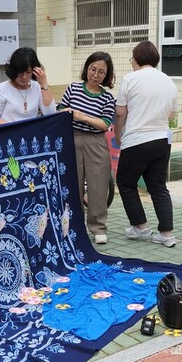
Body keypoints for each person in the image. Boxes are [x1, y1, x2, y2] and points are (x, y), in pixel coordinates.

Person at [115, 41, 179, 247]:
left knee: (125, 183)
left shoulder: (130, 79)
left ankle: (141, 227)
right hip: (161, 139)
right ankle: (167, 234)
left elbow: (120, 113)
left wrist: (118, 136)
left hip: (136, 139)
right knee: (158, 186)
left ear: (136, 59)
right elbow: (171, 114)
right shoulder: (168, 81)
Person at [59, 51, 116, 244]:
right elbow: (60, 111)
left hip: (96, 142)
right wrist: (65, 111)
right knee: (73, 184)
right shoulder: (73, 88)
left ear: (106, 76)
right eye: (93, 69)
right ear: (87, 68)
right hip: (72, 139)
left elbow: (105, 123)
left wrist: (83, 117)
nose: (95, 74)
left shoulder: (107, 98)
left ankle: (98, 227)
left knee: (98, 186)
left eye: (101, 72)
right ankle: (75, 226)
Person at [0, 47, 57, 123]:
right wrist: (10, 127)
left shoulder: (37, 87)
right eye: (20, 72)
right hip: (9, 132)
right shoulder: (2, 88)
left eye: (28, 72)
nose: (24, 77)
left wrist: (44, 84)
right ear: (14, 70)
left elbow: (50, 113)